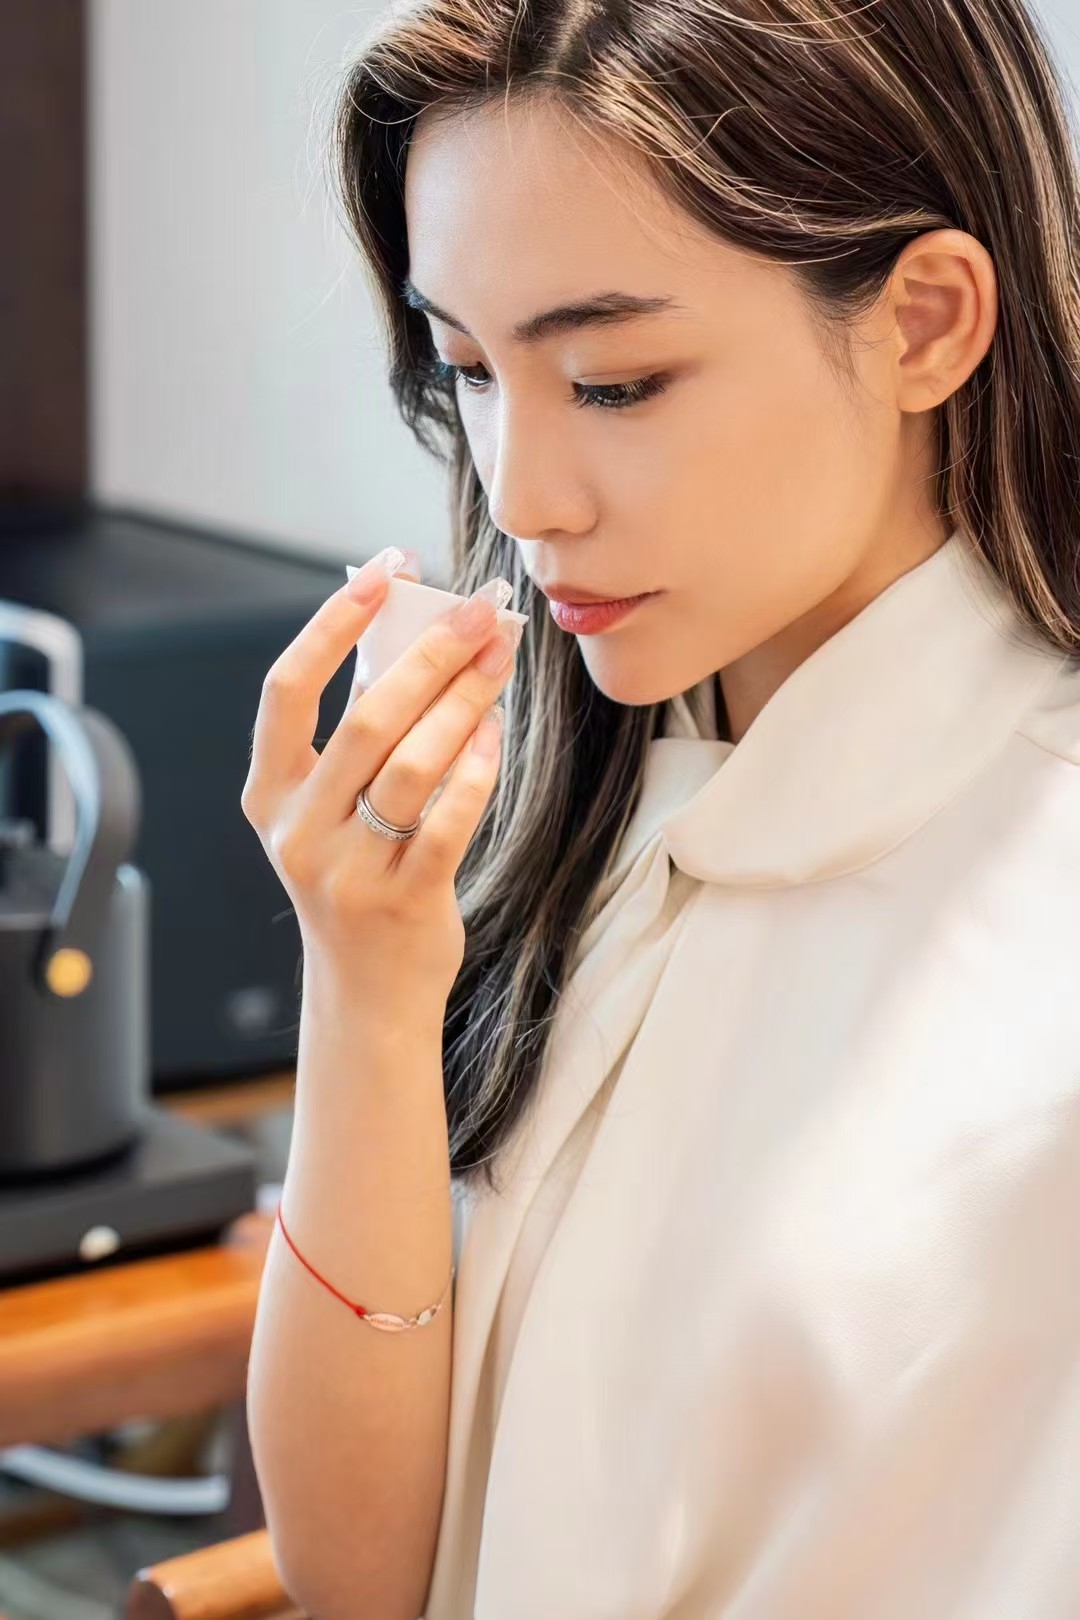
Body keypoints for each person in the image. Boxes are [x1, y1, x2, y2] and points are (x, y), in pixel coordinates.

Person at [242, 1, 1080, 1615]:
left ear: (925, 323)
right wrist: (366, 986)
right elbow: (355, 1575)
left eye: (616, 383)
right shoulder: (573, 793)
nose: (523, 496)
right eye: (467, 369)